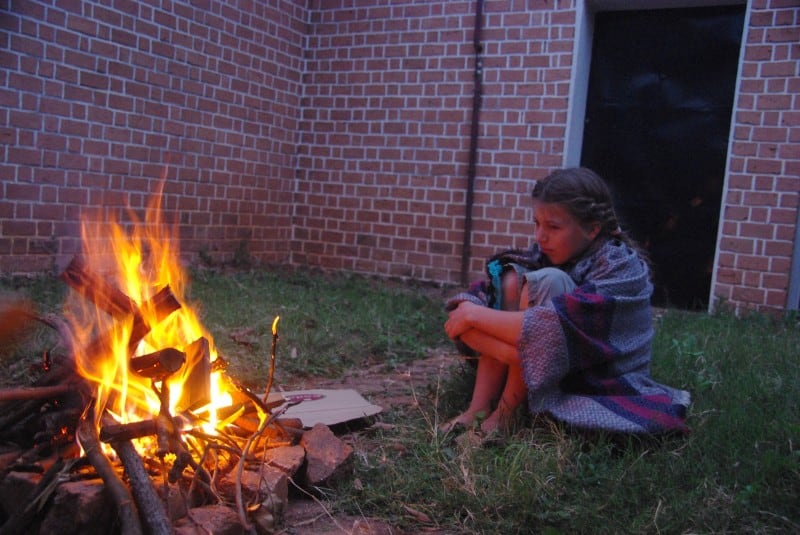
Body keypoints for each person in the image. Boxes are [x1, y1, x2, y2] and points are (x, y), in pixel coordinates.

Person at [443, 167, 690, 438]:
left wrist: (474, 318)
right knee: (510, 276)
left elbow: (554, 329)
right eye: (536, 223)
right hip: (547, 357)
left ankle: (507, 414)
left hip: (596, 369)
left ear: (593, 229)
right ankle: (479, 407)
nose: (540, 236)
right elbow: (477, 305)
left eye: (553, 227)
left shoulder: (621, 268)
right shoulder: (547, 253)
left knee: (548, 283)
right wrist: (477, 319)